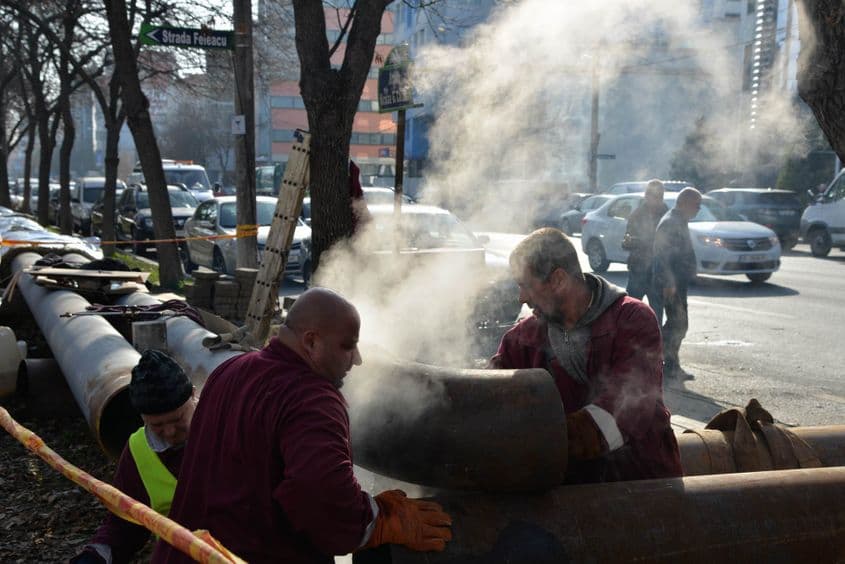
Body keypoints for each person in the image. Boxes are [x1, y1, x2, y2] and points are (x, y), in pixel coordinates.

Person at [152, 288, 452, 563]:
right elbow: (323, 497)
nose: (357, 360)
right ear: (311, 342)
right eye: (348, 346)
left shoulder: (229, 370)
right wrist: (380, 519)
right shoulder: (312, 400)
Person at [489, 228, 682, 484]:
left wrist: (536, 444)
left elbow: (625, 411)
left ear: (558, 280)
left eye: (525, 285)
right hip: (568, 487)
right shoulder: (522, 339)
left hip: (638, 485)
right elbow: (489, 394)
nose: (521, 297)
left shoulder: (633, 320)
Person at [71, 349, 197, 564]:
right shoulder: (138, 450)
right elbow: (125, 521)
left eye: (177, 419)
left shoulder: (225, 429)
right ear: (142, 417)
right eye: (157, 425)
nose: (169, 432)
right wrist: (98, 554)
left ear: (194, 396)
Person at [653, 187, 702, 382]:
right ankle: (663, 361)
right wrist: (668, 282)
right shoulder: (670, 222)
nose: (698, 209)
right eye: (696, 205)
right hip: (671, 283)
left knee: (677, 324)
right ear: (684, 203)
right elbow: (661, 255)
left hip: (678, 282)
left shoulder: (679, 220)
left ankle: (665, 362)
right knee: (678, 324)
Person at [622, 179, 668, 320]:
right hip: (638, 269)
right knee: (630, 311)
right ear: (647, 196)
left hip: (658, 272)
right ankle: (628, 340)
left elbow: (668, 245)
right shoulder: (637, 214)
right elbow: (626, 242)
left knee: (656, 313)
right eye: (651, 195)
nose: (655, 199)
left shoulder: (667, 216)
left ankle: (656, 340)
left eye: (658, 196)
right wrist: (628, 242)